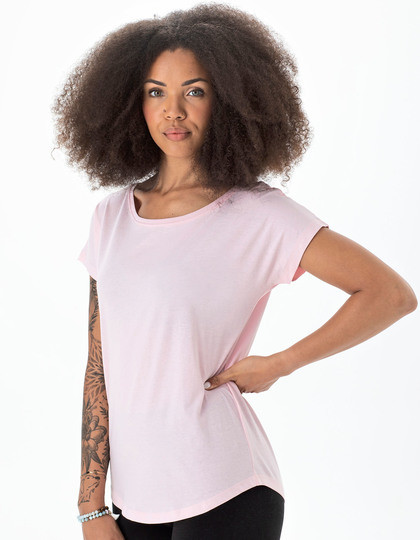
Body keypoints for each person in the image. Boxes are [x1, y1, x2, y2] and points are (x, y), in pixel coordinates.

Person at [51, 4, 417, 540]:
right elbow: (98, 367)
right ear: (131, 102)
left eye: (194, 91)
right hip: (136, 501)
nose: (173, 111)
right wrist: (91, 506)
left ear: (228, 99)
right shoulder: (111, 217)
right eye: (156, 92)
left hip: (226, 488)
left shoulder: (257, 213)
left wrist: (281, 363)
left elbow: (391, 294)